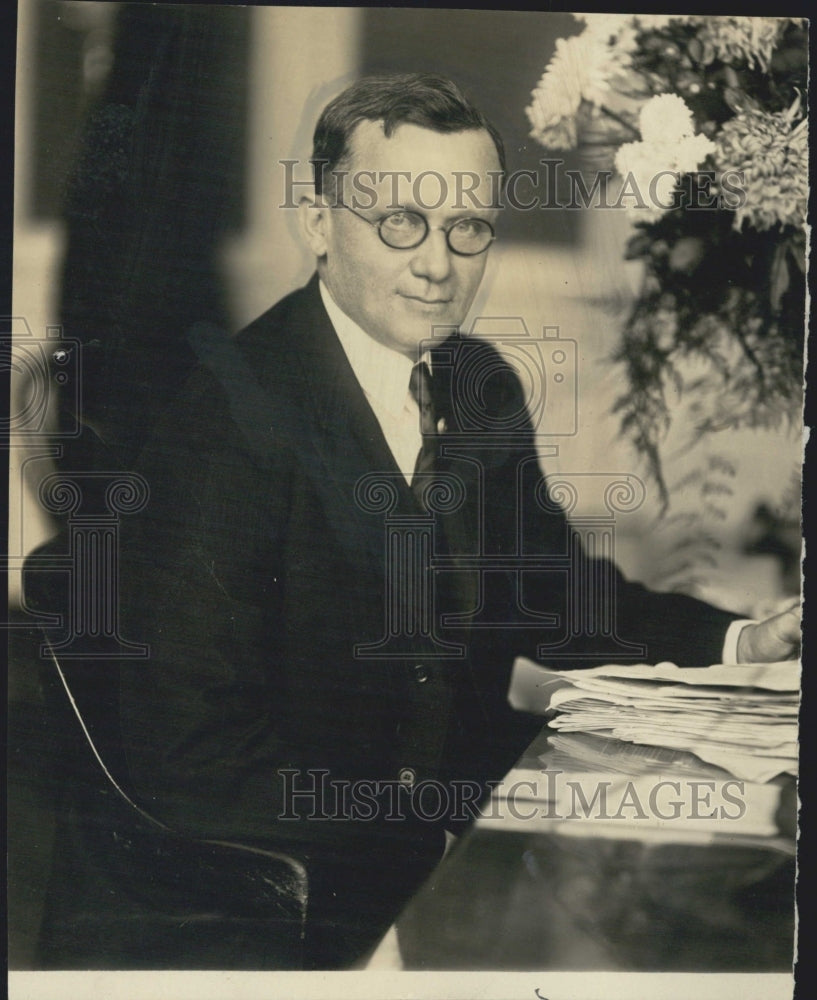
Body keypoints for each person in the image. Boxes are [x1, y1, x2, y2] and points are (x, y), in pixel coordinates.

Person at [65, 73, 800, 969]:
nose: (437, 263)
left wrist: (738, 641)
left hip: (451, 832)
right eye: (400, 221)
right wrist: (422, 840)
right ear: (318, 224)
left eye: (467, 229)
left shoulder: (474, 380)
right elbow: (185, 749)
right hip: (282, 903)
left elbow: (552, 593)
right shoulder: (227, 418)